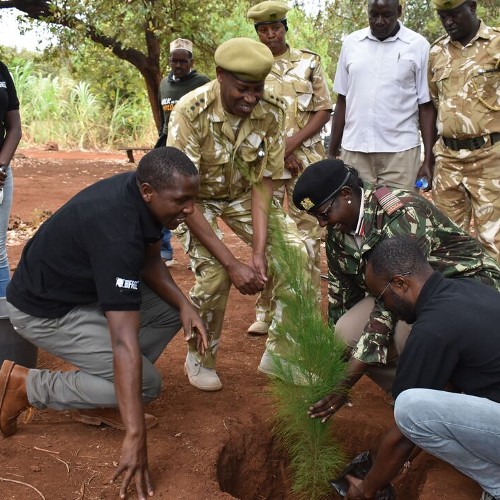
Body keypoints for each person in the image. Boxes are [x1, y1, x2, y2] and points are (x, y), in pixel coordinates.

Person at [0, 147, 208, 499]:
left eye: (193, 199)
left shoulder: (145, 198)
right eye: (182, 200)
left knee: (171, 310)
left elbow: (150, 262)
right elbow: (123, 342)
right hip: (46, 311)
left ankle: (101, 392)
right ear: (148, 192)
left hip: (82, 291)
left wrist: (184, 304)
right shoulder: (117, 229)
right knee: (146, 386)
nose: (190, 209)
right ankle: (25, 386)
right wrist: (135, 434)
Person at [291, 158, 500, 417]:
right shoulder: (337, 233)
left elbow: (389, 309)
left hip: (465, 285)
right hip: (403, 296)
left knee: (405, 333)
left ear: (346, 195)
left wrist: (345, 382)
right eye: (317, 217)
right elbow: (341, 296)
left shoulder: (401, 214)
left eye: (324, 213)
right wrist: (336, 366)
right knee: (344, 334)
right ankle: (413, 393)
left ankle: (446, 396)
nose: (323, 223)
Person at [167, 37, 312, 391]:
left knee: (297, 252)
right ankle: (200, 356)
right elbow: (184, 201)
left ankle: (282, 354)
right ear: (219, 76)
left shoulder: (273, 110)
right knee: (215, 274)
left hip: (244, 195)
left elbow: (264, 182)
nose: (251, 98)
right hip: (194, 201)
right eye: (242, 89)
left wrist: (259, 252)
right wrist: (234, 263)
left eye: (257, 89)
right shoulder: (190, 111)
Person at [340, 237, 500, 500]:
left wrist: (366, 489)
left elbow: (409, 423)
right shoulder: (468, 288)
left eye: (382, 297)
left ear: (400, 284)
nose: (385, 307)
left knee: (409, 406)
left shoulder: (433, 329)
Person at [245, 1, 333, 335]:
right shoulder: (252, 66)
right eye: (263, 30)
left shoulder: (309, 62)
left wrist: (289, 145)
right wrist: (276, 151)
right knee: (266, 236)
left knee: (309, 236)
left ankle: (306, 316)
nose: (270, 35)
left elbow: (323, 111)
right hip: (264, 161)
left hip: (305, 162)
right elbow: (246, 114)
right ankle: (266, 311)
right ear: (257, 33)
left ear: (285, 28)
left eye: (275, 28)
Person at [328, 0, 436, 191]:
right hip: (355, 152)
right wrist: (331, 153)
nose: (379, 21)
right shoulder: (352, 44)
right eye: (373, 15)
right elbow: (342, 100)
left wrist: (428, 160)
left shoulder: (419, 46)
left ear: (399, 11)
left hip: (400, 155)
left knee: (400, 217)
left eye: (386, 15)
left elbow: (426, 107)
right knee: (359, 216)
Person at [429, 0, 500, 264]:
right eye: (442, 16)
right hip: (448, 161)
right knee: (448, 244)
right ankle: (457, 303)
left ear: (472, 7)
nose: (448, 22)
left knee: (493, 241)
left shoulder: (496, 44)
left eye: (454, 14)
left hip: (490, 160)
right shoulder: (436, 52)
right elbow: (436, 100)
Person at [156, 38, 211, 266]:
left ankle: (198, 253)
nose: (177, 65)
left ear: (191, 61)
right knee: (162, 198)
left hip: (193, 150)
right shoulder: (164, 85)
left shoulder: (203, 83)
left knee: (193, 201)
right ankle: (164, 250)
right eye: (173, 61)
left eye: (182, 61)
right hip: (168, 149)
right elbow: (164, 118)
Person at [0, 60, 22, 318]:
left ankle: (6, 334)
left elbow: (14, 127)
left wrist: (1, 167)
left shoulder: (2, 70)